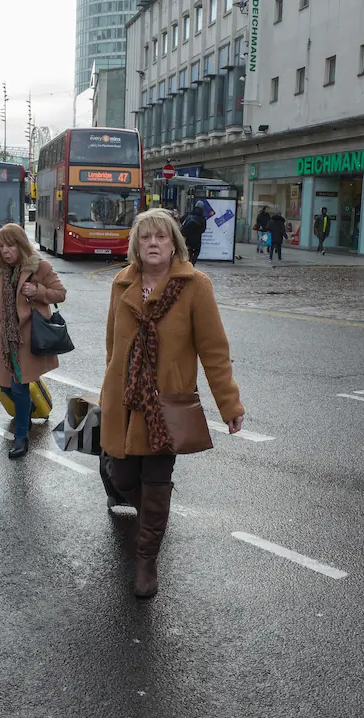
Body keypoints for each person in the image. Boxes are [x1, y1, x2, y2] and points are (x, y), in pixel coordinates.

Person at [100, 208, 244, 598]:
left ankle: (146, 560)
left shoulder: (195, 286)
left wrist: (229, 405)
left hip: (166, 405)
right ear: (135, 244)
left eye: (161, 237)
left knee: (156, 482)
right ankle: (154, 517)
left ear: (174, 244)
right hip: (126, 402)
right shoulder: (121, 283)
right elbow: (112, 344)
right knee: (122, 478)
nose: (152, 244)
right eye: (145, 237)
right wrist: (112, 388)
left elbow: (214, 351)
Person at [0, 224, 67, 460]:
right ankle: (28, 412)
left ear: (21, 245)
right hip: (7, 339)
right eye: (1, 246)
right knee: (4, 387)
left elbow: (60, 293)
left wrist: (38, 291)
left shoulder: (39, 267)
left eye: (10, 245)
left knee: (19, 387)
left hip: (28, 337)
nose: (5, 251)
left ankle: (21, 436)